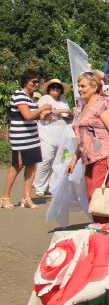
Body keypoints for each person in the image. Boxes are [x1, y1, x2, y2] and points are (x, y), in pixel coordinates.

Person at [66, 71, 109, 222]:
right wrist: (74, 160)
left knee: (100, 195)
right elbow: (84, 138)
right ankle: (100, 227)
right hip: (90, 159)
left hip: (105, 155)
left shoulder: (102, 104)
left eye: (83, 86)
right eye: (79, 86)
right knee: (93, 198)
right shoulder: (85, 107)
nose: (80, 89)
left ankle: (108, 229)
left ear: (94, 87)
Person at [2, 69, 52, 209]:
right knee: (17, 165)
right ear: (26, 81)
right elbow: (27, 115)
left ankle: (26, 197)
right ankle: (5, 197)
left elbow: (34, 116)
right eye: (34, 81)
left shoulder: (30, 96)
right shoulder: (19, 95)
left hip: (32, 135)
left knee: (32, 165)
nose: (36, 84)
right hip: (20, 136)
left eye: (38, 82)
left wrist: (45, 115)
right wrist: (42, 108)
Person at [34, 79, 73, 196]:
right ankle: (39, 186)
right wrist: (63, 110)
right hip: (47, 133)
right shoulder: (45, 99)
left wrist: (69, 115)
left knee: (57, 161)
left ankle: (53, 185)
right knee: (46, 159)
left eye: (58, 87)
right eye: (53, 87)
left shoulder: (63, 100)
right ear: (49, 89)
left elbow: (65, 115)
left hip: (61, 133)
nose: (55, 89)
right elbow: (44, 113)